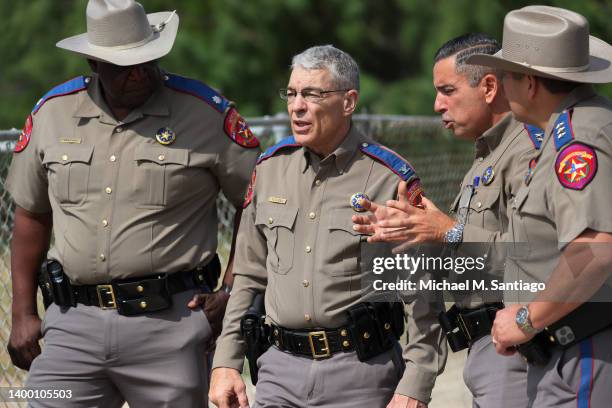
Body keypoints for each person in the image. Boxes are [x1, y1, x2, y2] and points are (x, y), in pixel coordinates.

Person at [5, 1, 260, 407]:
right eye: (123, 65)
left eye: (147, 60)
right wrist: (22, 313)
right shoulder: (54, 113)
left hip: (172, 326)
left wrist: (231, 289)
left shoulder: (205, 114)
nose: (140, 73)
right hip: (71, 328)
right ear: (93, 61)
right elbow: (31, 214)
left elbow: (259, 203)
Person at [209, 45, 447, 408]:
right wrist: (226, 362)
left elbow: (422, 298)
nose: (296, 106)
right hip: (278, 373)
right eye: (291, 94)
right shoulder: (271, 169)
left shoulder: (388, 180)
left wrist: (415, 385)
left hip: (361, 374)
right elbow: (249, 275)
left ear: (348, 102)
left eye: (312, 94)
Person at [352, 33, 542, 407]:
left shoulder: (528, 152)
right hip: (487, 351)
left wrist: (447, 230)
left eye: (447, 90)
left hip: (520, 351)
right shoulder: (486, 156)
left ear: (489, 86)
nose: (437, 104)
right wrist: (413, 234)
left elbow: (538, 259)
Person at [465, 5, 612, 407]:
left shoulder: (578, 138)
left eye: (506, 76)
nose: (502, 87)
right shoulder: (572, 127)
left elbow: (596, 249)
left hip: (584, 352)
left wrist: (527, 319)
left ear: (529, 83)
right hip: (565, 352)